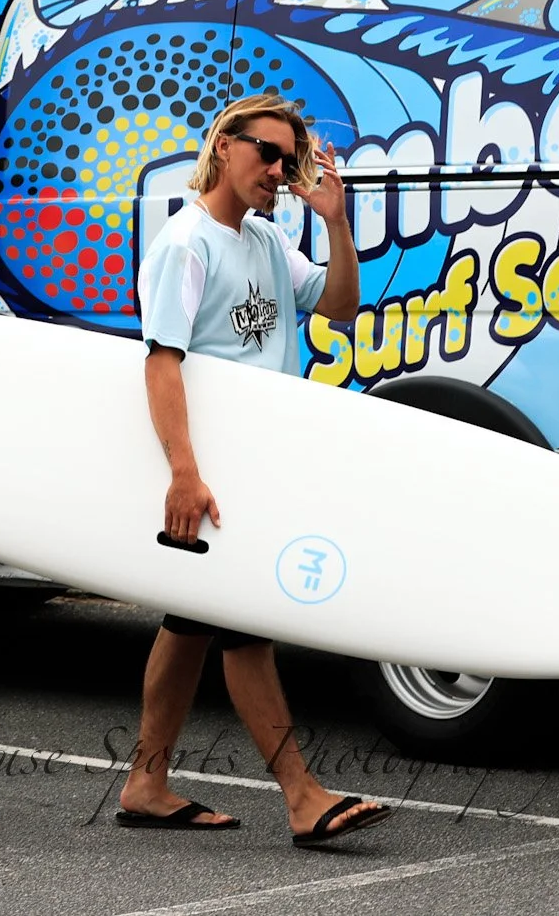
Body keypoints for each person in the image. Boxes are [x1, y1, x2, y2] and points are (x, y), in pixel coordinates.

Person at [115, 93, 392, 847]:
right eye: (266, 152)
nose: (277, 169)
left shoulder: (267, 241)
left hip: (259, 465)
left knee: (190, 624)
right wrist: (182, 471)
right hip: (211, 471)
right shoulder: (185, 244)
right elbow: (162, 362)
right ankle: (302, 794)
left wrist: (335, 219)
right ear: (225, 145)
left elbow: (337, 307)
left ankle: (146, 780)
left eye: (288, 158)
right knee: (244, 629)